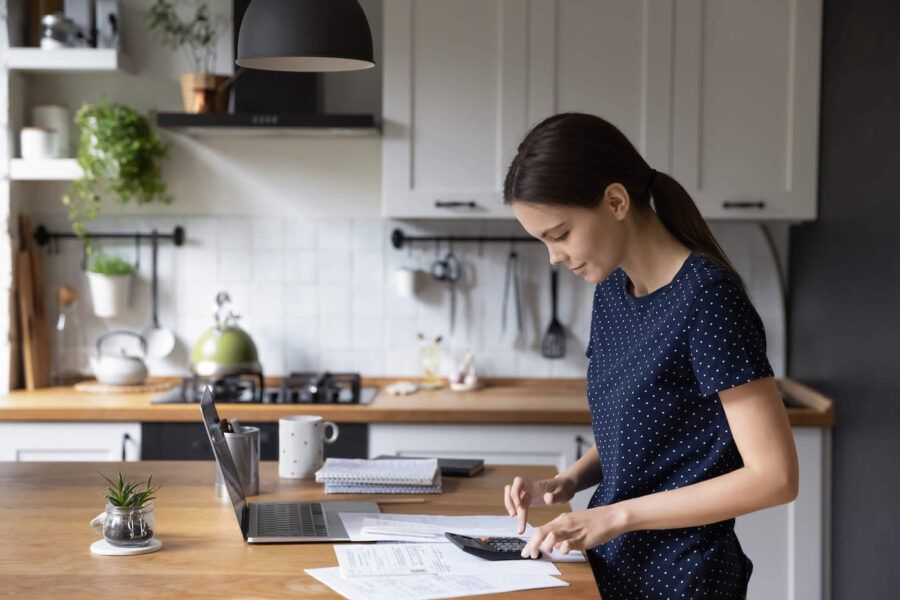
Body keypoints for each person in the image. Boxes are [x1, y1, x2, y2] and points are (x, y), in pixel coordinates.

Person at [502, 113, 798, 599]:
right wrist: (566, 481)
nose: (553, 257)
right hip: (617, 570)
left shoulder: (708, 298)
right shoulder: (613, 291)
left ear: (616, 201)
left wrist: (616, 515)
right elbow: (648, 431)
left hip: (684, 580)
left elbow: (776, 478)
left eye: (559, 235)